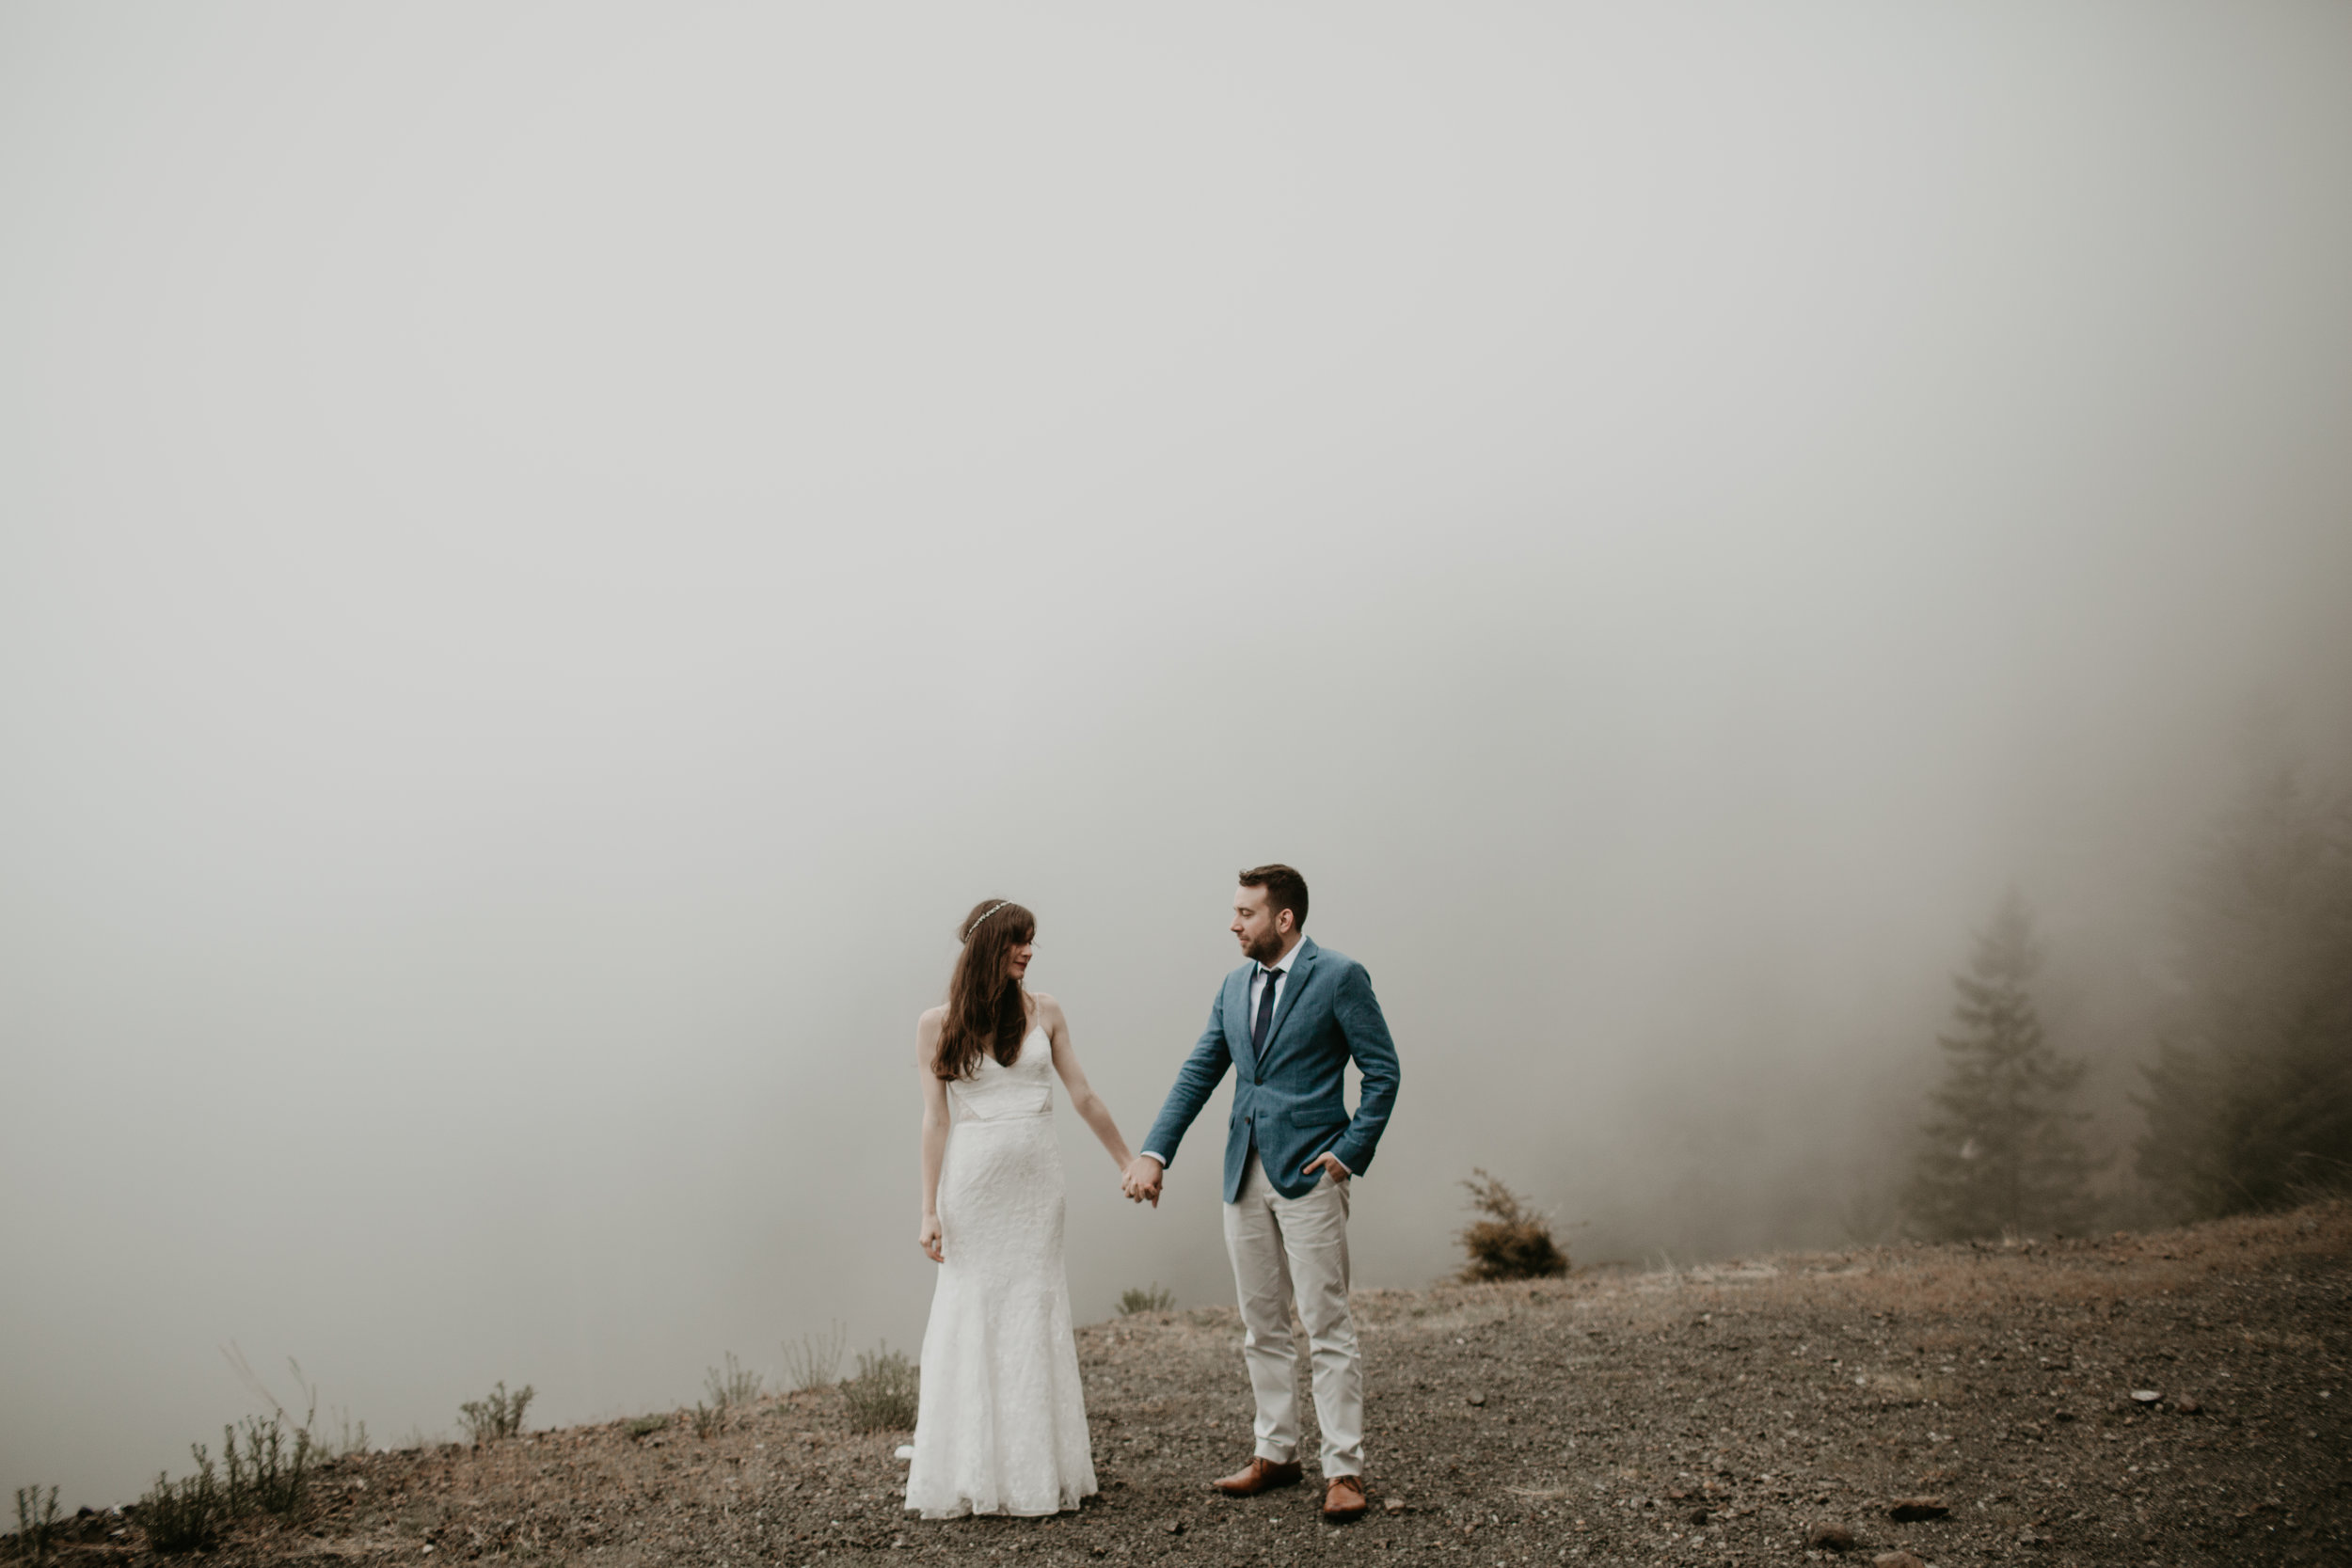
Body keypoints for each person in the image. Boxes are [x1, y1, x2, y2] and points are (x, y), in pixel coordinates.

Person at [1121, 864, 1402, 1520]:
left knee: (1327, 1323)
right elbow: (1200, 1071)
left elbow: (1382, 1071)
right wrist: (1155, 1150)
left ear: (1284, 918)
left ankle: (1345, 1469)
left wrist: (1349, 1152)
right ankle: (1276, 1452)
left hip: (1311, 1174)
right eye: (1234, 910)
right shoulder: (1232, 984)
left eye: (1245, 912)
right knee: (1261, 1325)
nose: (1233, 923)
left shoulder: (1339, 975)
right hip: (1241, 1173)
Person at [905, 899, 1140, 1518]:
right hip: (974, 1188)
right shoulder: (936, 1023)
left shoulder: (1048, 1010)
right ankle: (972, 1468)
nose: (1029, 951)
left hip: (1037, 1186)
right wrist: (927, 1209)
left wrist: (1127, 1159)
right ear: (990, 946)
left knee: (1034, 1304)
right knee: (973, 1304)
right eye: (1019, 941)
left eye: (1032, 941)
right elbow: (934, 1120)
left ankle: (1040, 1467)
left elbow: (1082, 1094)